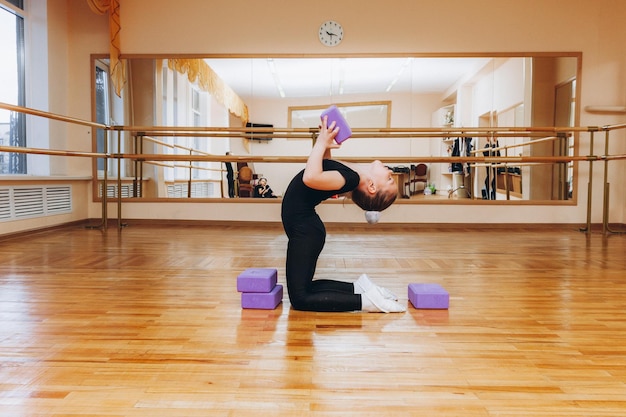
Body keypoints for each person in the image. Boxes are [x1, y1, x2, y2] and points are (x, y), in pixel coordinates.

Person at [280, 115, 404, 313]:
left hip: (305, 230)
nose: (389, 171)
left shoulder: (351, 179)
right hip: (306, 228)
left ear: (371, 186)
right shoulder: (352, 176)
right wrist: (326, 143)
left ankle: (367, 302)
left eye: (389, 178)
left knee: (300, 298)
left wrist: (321, 142)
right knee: (305, 288)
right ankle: (361, 288)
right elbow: (324, 165)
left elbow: (311, 177)